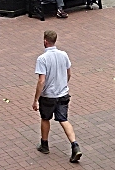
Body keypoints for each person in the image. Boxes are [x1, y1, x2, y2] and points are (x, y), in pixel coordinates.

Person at [33, 30, 81, 163]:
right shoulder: (64, 55)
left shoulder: (42, 59)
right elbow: (69, 73)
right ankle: (74, 145)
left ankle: (44, 144)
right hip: (63, 93)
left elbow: (41, 80)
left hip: (48, 95)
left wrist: (36, 99)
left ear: (45, 41)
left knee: (45, 118)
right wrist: (63, 85)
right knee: (63, 119)